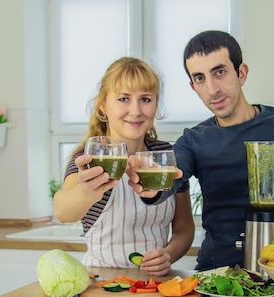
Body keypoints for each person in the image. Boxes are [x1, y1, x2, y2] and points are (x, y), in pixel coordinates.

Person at [127, 30, 274, 270]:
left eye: (219, 72)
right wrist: (151, 185)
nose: (212, 89)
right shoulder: (193, 140)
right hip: (214, 274)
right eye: (200, 78)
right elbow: (171, 176)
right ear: (193, 86)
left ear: (241, 73)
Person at [54, 57, 195, 276]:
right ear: (103, 105)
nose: (136, 110)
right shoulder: (89, 158)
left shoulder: (166, 156)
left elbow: (184, 228)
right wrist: (85, 191)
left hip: (154, 285)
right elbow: (62, 211)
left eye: (146, 99)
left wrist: (168, 254)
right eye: (123, 99)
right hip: (100, 285)